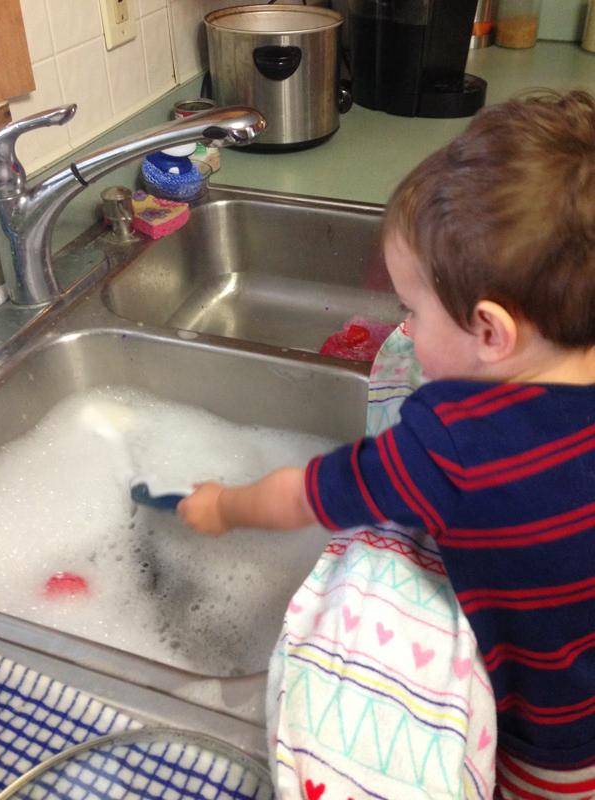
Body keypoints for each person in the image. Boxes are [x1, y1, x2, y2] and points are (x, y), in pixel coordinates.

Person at [178, 90, 595, 798]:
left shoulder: (453, 446)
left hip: (548, 737)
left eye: (412, 311)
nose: (404, 330)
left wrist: (224, 505)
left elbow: (306, 495)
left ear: (492, 333)